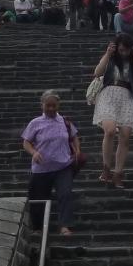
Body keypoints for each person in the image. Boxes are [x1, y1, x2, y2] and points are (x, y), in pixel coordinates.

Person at [21, 90, 81, 237]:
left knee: (65, 194)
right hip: (42, 168)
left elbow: (74, 136)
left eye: (54, 105)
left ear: (58, 105)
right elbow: (26, 142)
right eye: (48, 105)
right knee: (38, 198)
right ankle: (38, 228)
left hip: (63, 166)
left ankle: (65, 226)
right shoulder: (35, 123)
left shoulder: (65, 121)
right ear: (42, 105)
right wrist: (34, 153)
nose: (51, 108)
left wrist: (77, 150)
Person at [91, 32, 133, 187]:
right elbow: (97, 72)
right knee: (109, 130)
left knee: (125, 136)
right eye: (121, 50)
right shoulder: (111, 58)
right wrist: (107, 54)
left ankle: (118, 173)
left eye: (126, 50)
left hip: (126, 96)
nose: (123, 53)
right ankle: (106, 168)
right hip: (108, 94)